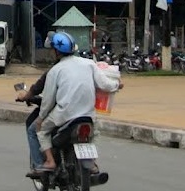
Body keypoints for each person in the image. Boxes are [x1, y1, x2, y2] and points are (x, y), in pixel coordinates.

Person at [34, 32, 121, 173]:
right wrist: (117, 85)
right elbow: (105, 84)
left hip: (64, 115)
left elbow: (48, 100)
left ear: (56, 51)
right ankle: (92, 163)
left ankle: (50, 161)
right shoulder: (89, 64)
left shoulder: (55, 71)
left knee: (42, 130)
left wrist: (41, 118)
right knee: (96, 133)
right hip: (88, 115)